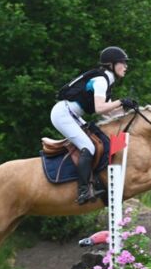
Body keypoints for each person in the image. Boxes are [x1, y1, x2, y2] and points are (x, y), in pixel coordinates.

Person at [51, 46, 138, 205]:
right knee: (89, 147)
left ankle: (91, 182)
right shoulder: (101, 80)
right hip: (63, 114)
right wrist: (121, 101)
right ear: (111, 64)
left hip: (71, 114)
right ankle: (83, 191)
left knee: (99, 141)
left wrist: (128, 111)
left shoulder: (107, 81)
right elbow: (99, 109)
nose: (125, 66)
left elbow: (109, 114)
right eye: (122, 63)